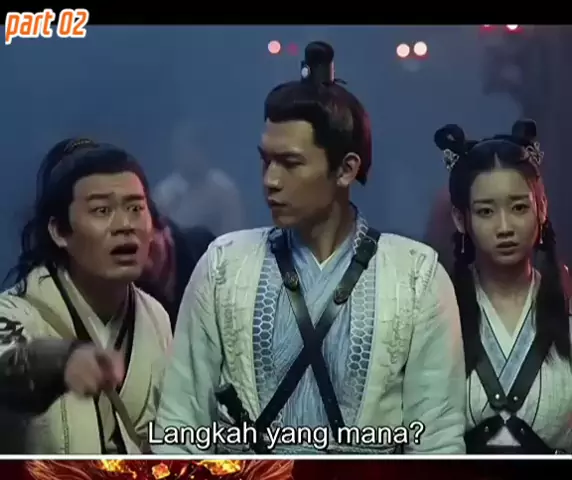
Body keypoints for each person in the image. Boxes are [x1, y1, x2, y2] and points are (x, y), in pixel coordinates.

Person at [154, 41, 465, 455]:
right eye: (266, 161)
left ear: (346, 169)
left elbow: (437, 441)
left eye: (290, 163)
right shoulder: (224, 265)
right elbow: (179, 427)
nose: (270, 180)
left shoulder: (415, 276)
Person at [0, 138, 172, 453]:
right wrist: (61, 362)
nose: (125, 225)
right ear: (59, 231)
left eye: (136, 208)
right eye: (101, 210)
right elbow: (7, 364)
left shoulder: (156, 317)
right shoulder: (14, 312)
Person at [434, 119, 572, 454]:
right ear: (460, 218)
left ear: (542, 208)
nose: (505, 226)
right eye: (486, 211)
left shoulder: (567, 305)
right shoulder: (435, 310)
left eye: (519, 207)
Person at [153, 122, 244, 236]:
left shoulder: (223, 190)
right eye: (180, 150)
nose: (185, 157)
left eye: (190, 150)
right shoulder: (165, 193)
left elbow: (235, 231)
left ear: (203, 151)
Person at [136, 207, 215, 328]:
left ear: (160, 226)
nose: (143, 260)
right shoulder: (127, 297)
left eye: (147, 244)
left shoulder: (209, 255)